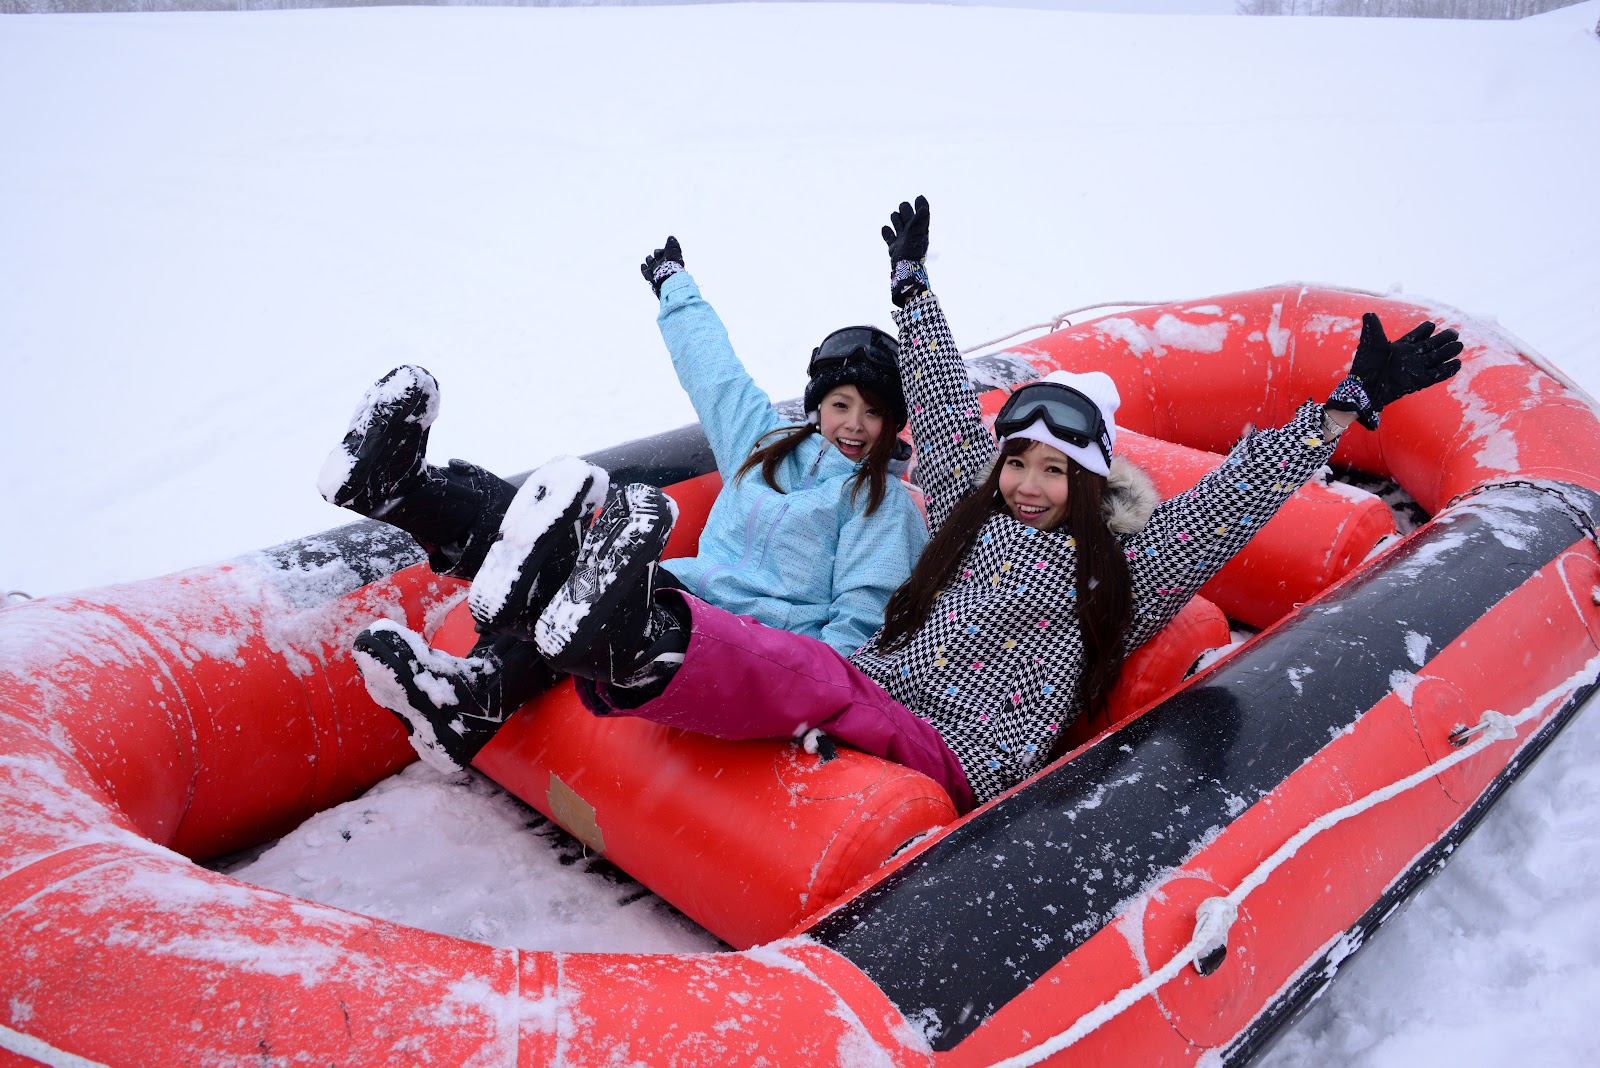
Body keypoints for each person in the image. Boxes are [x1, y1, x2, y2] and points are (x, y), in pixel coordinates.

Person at [527, 196, 1464, 814]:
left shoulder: (1119, 576)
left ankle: (650, 644)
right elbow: (935, 396)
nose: (1027, 483)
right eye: (1017, 463)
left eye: (1054, 472)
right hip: (881, 693)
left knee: (815, 674)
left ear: (1087, 485)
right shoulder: (970, 520)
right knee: (822, 672)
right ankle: (613, 622)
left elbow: (1225, 505)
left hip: (964, 750)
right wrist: (912, 288)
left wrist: (1341, 412)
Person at [324, 237, 929, 773]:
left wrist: (820, 706)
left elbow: (863, 623)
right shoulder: (765, 446)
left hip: (754, 645)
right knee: (569, 565)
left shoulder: (882, 508)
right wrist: (676, 287)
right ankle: (408, 495)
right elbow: (715, 376)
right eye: (842, 403)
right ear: (818, 403)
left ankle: (476, 674)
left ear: (893, 423)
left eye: (874, 412)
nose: (854, 424)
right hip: (684, 591)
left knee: (593, 581)